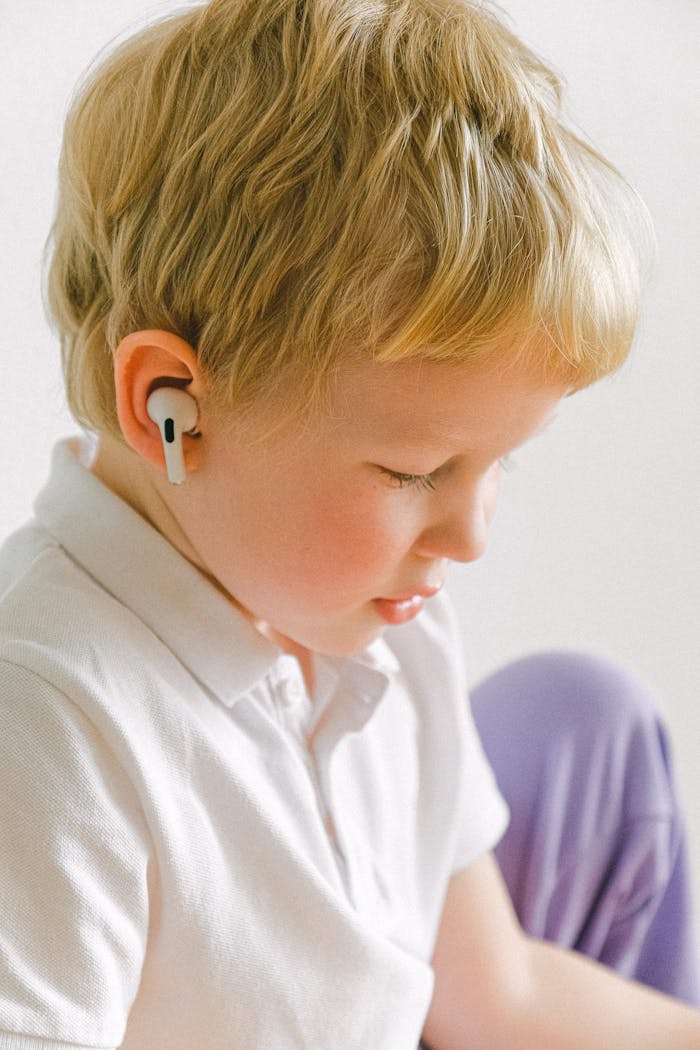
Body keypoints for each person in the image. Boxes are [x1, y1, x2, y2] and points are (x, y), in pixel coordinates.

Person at [0, 0, 698, 1046]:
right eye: (415, 470)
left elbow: (500, 997)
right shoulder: (48, 716)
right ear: (171, 408)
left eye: (499, 461)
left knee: (589, 714)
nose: (470, 536)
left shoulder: (389, 623)